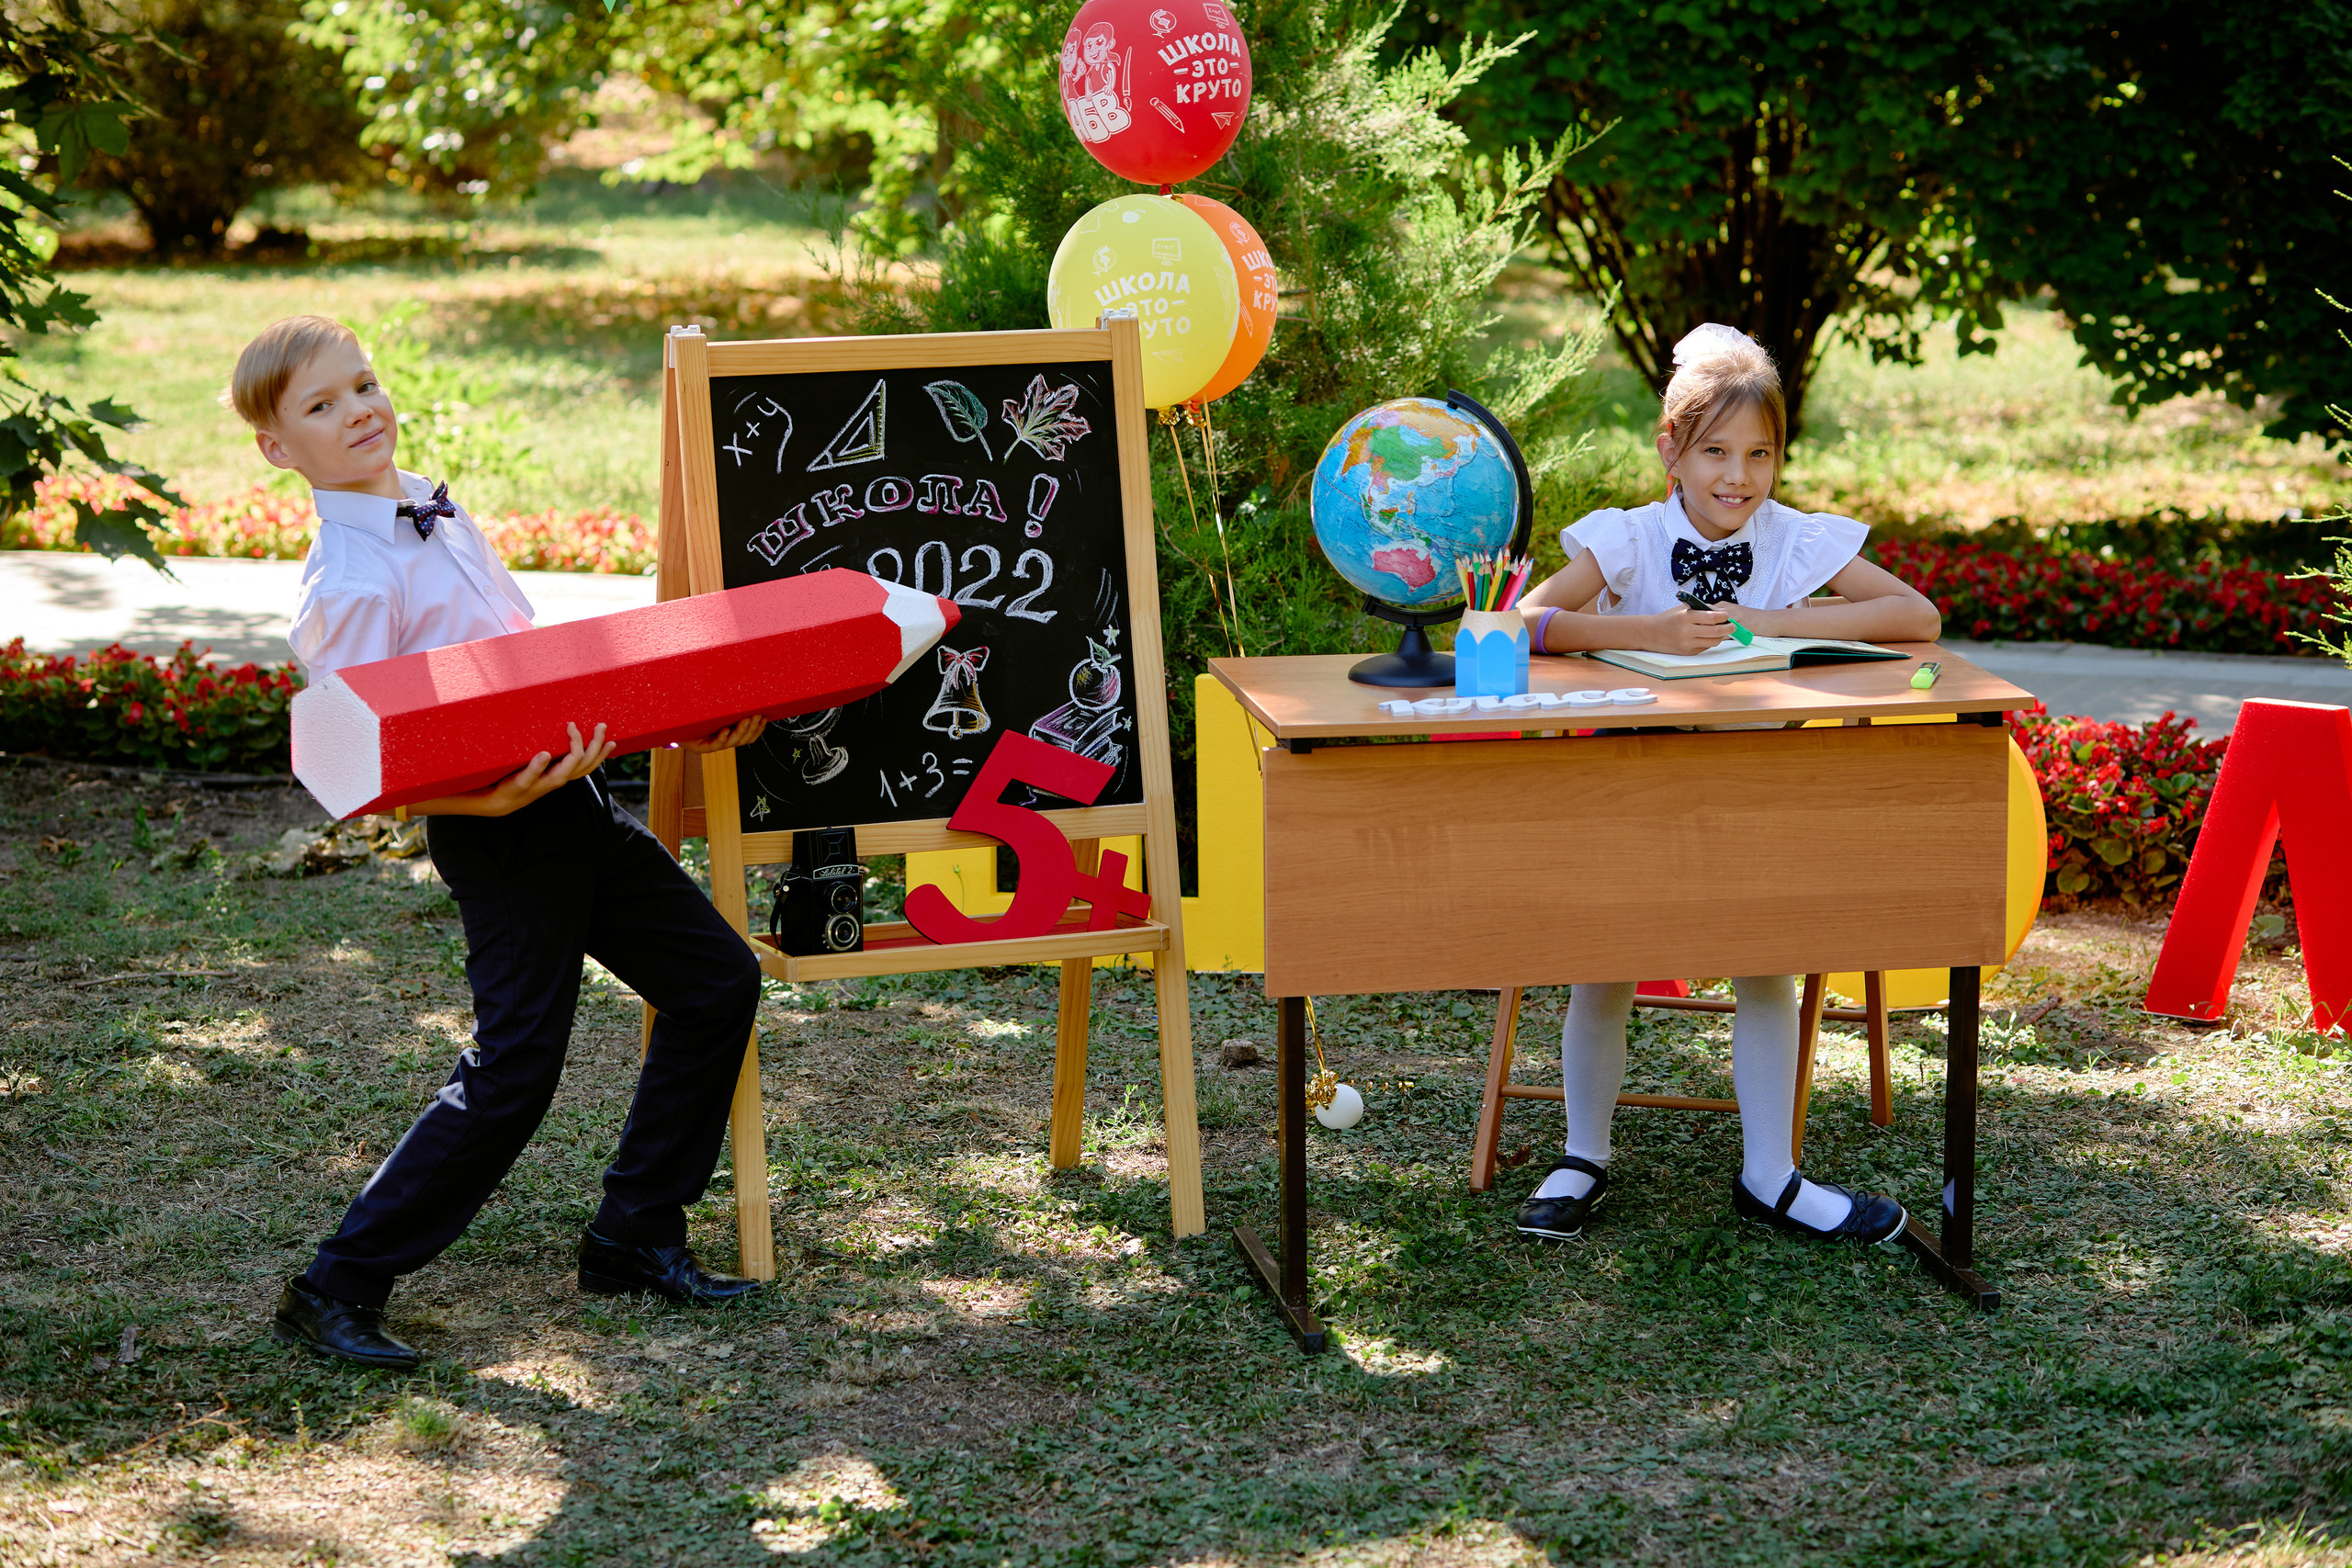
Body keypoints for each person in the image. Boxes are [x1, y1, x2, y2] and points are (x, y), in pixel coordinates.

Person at [232, 314, 774, 1371]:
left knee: (715, 981)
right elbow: (349, 761)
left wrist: (684, 716)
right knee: (516, 1070)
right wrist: (478, 809)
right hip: (502, 834)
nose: (359, 410)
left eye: (364, 383)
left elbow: (532, 671)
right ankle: (336, 1282)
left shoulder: (434, 502)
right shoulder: (345, 582)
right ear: (276, 448)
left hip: (576, 807)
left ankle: (634, 1234)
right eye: (321, 405)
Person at [1510, 321, 1943, 1247]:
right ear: (1670, 449)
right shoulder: (1628, 540)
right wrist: (1642, 633)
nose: (1736, 478)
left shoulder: (1791, 540)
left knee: (1766, 966)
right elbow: (1521, 622)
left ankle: (1770, 1172)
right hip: (1631, 788)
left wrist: (1778, 613)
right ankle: (1584, 1152)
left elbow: (1917, 614)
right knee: (1604, 968)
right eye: (1714, 452)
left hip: (1755, 791)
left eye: (1760, 454)